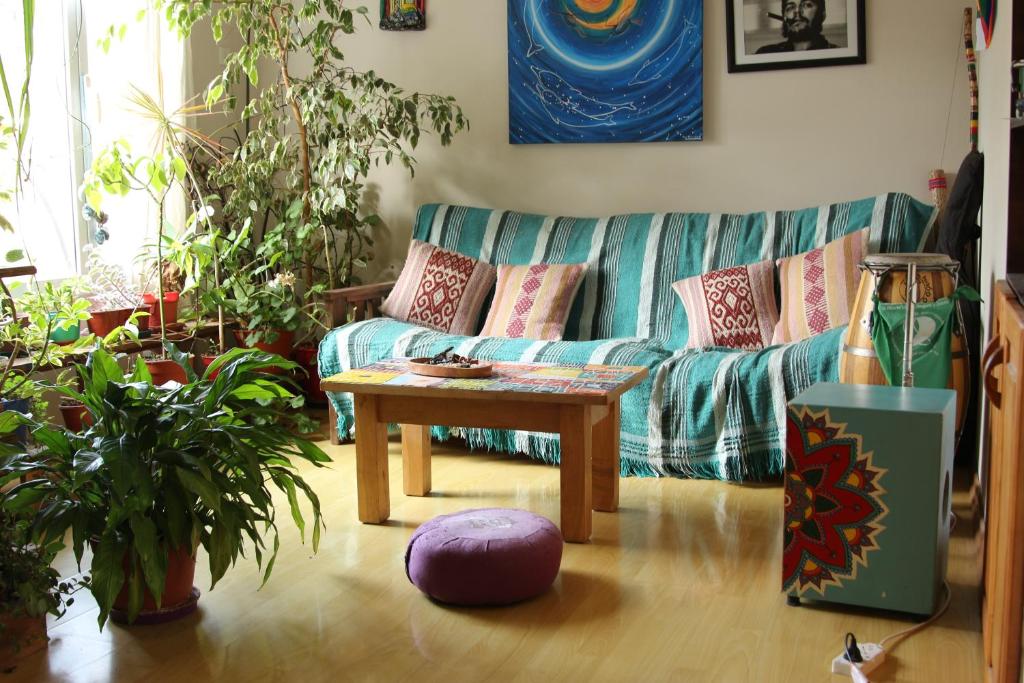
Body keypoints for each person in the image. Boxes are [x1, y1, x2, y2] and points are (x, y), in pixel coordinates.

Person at [756, 0, 837, 53]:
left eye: (807, 5)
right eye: (790, 7)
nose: (797, 11)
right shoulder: (765, 53)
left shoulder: (835, 53)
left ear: (822, 15)